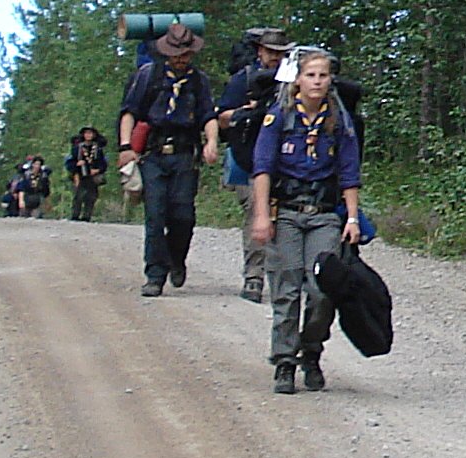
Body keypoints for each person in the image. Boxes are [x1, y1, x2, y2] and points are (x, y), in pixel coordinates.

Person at [249, 49, 362, 395]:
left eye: (323, 76)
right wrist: (261, 216)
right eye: (310, 75)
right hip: (286, 213)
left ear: (330, 81)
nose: (317, 82)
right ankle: (284, 361)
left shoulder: (338, 121)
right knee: (285, 290)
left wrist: (353, 218)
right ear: (298, 79)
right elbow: (263, 169)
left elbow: (348, 173)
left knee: (322, 289)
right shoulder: (279, 118)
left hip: (323, 216)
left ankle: (311, 352)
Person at [116, 23, 220, 297]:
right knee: (155, 215)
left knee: (183, 215)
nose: (181, 58)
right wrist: (125, 146)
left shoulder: (199, 81)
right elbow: (129, 112)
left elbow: (208, 115)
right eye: (176, 53)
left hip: (185, 154)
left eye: (186, 53)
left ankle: (177, 259)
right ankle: (155, 275)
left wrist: (212, 142)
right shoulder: (149, 76)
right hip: (153, 154)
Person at [217, 28, 295, 303]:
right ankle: (254, 276)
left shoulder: (295, 81)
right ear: (260, 51)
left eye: (280, 53)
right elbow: (222, 117)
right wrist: (247, 112)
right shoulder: (245, 79)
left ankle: (284, 278)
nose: (275, 58)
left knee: (287, 219)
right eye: (270, 52)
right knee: (256, 212)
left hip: (287, 161)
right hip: (248, 159)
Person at [67, 126, 108, 222]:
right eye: (86, 133)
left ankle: (87, 216)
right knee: (78, 196)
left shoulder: (98, 149)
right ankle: (75, 215)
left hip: (92, 176)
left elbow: (103, 163)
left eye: (90, 133)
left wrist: (98, 170)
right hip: (80, 175)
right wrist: (76, 166)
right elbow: (69, 162)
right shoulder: (77, 148)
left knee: (91, 196)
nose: (88, 135)